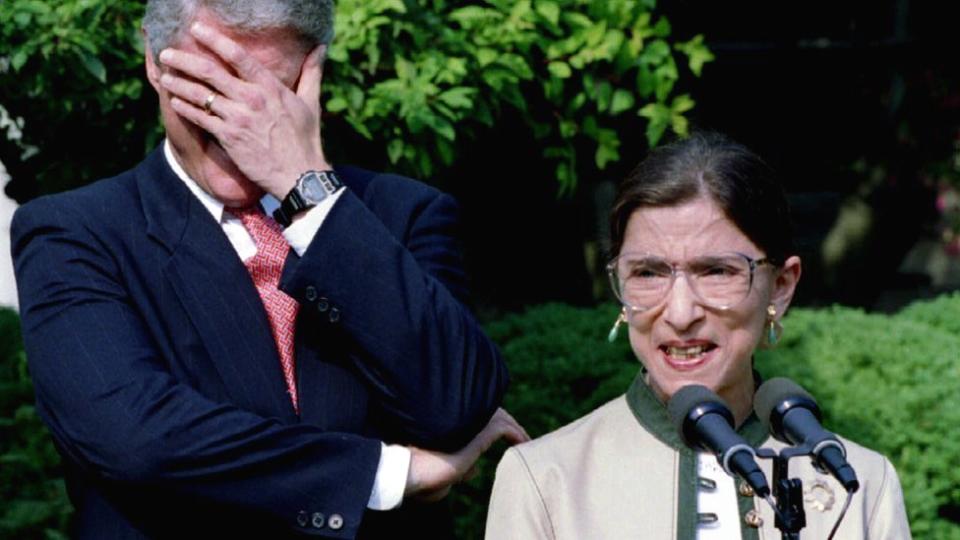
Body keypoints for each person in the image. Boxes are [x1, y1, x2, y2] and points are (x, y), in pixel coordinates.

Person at [11, 1, 528, 538]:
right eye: (212, 89)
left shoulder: (400, 214)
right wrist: (387, 474)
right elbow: (133, 435)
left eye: (269, 94)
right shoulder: (73, 232)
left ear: (314, 73)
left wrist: (307, 191)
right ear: (153, 61)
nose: (240, 121)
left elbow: (457, 404)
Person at [485, 132, 911, 539]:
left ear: (780, 287)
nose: (680, 313)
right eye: (648, 273)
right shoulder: (545, 481)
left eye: (717, 271)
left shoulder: (859, 486)